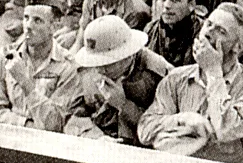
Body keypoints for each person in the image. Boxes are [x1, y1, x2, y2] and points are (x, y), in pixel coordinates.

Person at [139, 3, 243, 163]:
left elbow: (226, 130)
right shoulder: (177, 78)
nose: (208, 33)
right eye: (208, 24)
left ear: (239, 46)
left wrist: (213, 72)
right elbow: (145, 131)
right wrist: (183, 119)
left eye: (221, 31)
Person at [65, 15, 171, 144]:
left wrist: (123, 105)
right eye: (96, 63)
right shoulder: (87, 70)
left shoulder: (158, 74)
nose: (100, 70)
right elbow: (71, 118)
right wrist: (95, 138)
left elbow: (167, 131)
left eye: (107, 63)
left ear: (128, 55)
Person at [0, 0, 79, 131]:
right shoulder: (6, 56)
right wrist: (25, 125)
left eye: (37, 20)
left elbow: (56, 124)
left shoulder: (67, 66)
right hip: (8, 136)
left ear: (53, 27)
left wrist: (25, 82)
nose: (28, 26)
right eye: (26, 18)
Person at [144, 0, 205, 68]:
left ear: (191, 5)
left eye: (175, 0)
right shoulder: (150, 30)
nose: (167, 6)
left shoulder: (203, 35)